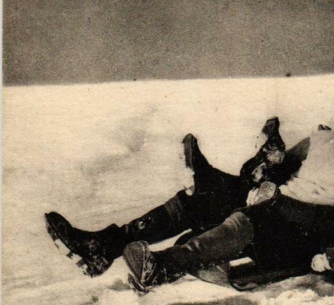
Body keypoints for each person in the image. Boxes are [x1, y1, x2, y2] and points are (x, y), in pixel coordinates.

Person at [122, 93, 334, 292]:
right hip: (272, 204)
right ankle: (126, 241)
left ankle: (160, 266)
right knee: (212, 198)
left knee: (246, 220)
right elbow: (286, 163)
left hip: (301, 232)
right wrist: (268, 166)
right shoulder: (324, 140)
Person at [45, 118, 289, 278]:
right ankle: (102, 247)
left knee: (204, 197)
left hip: (275, 233)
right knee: (198, 199)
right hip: (258, 215)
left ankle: (103, 248)